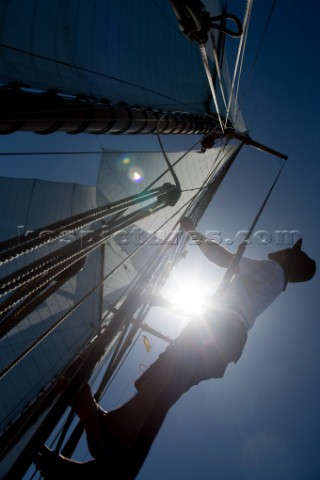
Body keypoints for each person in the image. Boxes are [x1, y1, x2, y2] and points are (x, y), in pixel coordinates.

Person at [35, 217, 316, 478]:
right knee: (162, 389)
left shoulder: (271, 271)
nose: (282, 249)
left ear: (289, 259)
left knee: (164, 386)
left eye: (288, 250)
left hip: (220, 330)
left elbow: (222, 258)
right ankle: (111, 431)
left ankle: (113, 456)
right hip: (222, 332)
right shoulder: (272, 283)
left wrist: (192, 231)